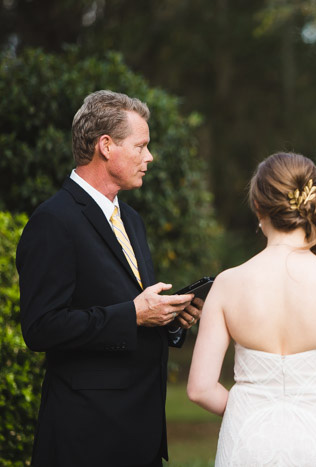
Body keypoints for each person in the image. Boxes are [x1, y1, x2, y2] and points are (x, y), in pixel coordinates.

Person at [16, 90, 201, 467]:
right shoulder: (54, 221)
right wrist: (132, 314)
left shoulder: (131, 220)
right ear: (106, 146)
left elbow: (127, 306)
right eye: (141, 146)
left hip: (141, 433)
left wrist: (168, 319)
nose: (149, 157)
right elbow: (41, 328)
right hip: (86, 437)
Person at [187, 152, 316, 466]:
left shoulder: (228, 284)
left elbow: (200, 389)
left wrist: (250, 408)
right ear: (313, 202)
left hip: (248, 441)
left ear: (258, 208)